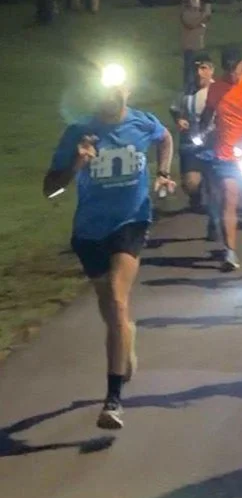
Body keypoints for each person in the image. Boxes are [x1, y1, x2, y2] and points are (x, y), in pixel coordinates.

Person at [43, 63, 176, 429]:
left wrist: (163, 173)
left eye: (119, 91)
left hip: (130, 223)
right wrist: (75, 165)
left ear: (128, 92)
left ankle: (113, 400)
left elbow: (165, 138)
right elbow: (50, 188)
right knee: (112, 310)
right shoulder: (79, 132)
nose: (113, 98)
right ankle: (125, 340)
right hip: (89, 232)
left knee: (117, 299)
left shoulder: (143, 122)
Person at [202, 47, 242, 271]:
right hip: (225, 153)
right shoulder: (215, 89)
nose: (232, 75)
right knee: (230, 197)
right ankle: (230, 251)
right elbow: (207, 114)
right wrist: (199, 132)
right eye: (228, 70)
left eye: (235, 69)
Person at [170, 54, 215, 221]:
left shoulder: (217, 91)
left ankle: (215, 222)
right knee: (190, 184)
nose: (199, 72)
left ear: (211, 70)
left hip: (213, 145)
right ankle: (196, 196)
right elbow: (174, 108)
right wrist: (179, 120)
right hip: (190, 144)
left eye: (203, 68)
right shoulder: (185, 92)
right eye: (196, 69)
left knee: (216, 187)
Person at [180, 0, 212, 90]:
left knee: (199, 69)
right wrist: (204, 14)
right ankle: (188, 90)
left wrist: (208, 12)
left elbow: (205, 20)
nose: (198, 2)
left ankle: (197, 87)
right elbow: (192, 24)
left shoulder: (198, 13)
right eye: (196, 0)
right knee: (190, 70)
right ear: (190, 2)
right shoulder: (186, 14)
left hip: (199, 46)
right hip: (190, 47)